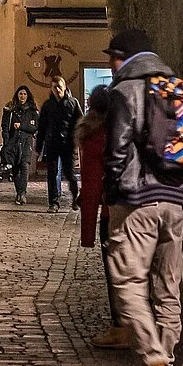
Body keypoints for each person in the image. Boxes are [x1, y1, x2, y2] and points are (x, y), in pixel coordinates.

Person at [103, 28, 183, 366]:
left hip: (139, 201)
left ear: (123, 58)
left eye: (113, 57)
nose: (111, 64)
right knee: (168, 287)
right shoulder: (180, 88)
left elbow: (117, 149)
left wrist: (113, 193)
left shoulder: (126, 91)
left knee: (127, 280)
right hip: (177, 201)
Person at [75, 84, 129, 349]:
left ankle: (121, 327)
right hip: (139, 206)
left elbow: (92, 183)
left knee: (115, 271)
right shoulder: (128, 129)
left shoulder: (94, 134)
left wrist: (87, 233)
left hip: (111, 211)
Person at [36, 76, 82, 212]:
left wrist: (79, 139)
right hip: (52, 143)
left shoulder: (73, 103)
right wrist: (39, 145)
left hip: (67, 144)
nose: (57, 90)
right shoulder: (48, 105)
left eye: (59, 87)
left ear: (64, 87)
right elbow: (42, 126)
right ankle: (53, 203)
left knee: (70, 173)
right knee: (52, 173)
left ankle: (75, 197)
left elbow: (80, 121)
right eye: (54, 87)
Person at [1, 85, 39, 205]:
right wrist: (6, 142)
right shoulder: (10, 109)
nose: (22, 96)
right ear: (17, 95)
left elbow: (35, 127)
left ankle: (22, 193)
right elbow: (5, 127)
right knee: (16, 167)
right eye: (20, 93)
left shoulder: (32, 110)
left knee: (25, 165)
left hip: (26, 141)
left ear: (28, 96)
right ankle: (19, 192)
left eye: (24, 94)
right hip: (13, 142)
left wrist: (21, 126)